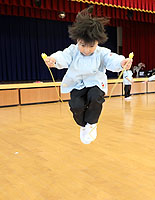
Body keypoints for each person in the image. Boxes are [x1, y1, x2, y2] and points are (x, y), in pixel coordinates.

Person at [43, 6, 132, 144]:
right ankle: (84, 125)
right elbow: (62, 56)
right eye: (83, 45)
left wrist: (122, 62)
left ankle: (92, 123)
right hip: (77, 85)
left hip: (95, 83)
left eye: (91, 46)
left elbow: (112, 59)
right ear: (78, 40)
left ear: (97, 42)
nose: (86, 50)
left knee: (95, 98)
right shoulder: (72, 51)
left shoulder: (101, 52)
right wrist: (53, 60)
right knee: (76, 106)